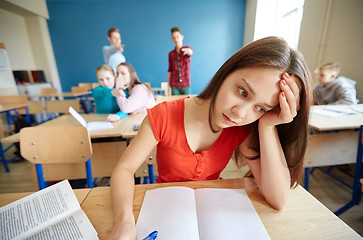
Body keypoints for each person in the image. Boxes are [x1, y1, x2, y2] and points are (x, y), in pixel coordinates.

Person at [107, 36, 313, 239]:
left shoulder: (244, 128)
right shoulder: (163, 115)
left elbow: (279, 199)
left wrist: (267, 124)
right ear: (227, 71)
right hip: (164, 213)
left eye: (260, 108)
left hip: (211, 216)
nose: (240, 114)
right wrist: (123, 222)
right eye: (242, 92)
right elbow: (124, 169)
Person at [167, 26, 193, 95]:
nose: (176, 39)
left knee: (187, 104)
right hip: (174, 85)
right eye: (174, 37)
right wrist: (168, 86)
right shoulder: (171, 54)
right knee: (175, 104)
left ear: (182, 37)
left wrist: (188, 51)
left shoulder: (187, 49)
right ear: (172, 39)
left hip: (186, 84)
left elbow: (190, 52)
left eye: (177, 36)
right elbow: (170, 70)